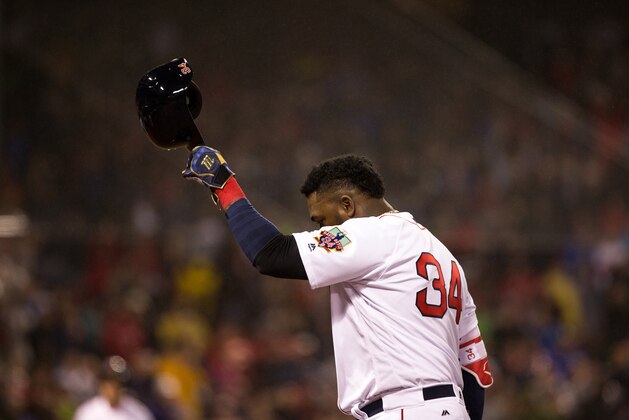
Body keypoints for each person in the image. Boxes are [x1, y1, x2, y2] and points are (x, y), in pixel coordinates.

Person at [182, 147, 493, 419]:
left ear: (347, 206)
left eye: (320, 219)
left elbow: (270, 254)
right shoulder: (445, 257)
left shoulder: (374, 233)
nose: (318, 229)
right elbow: (473, 369)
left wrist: (223, 183)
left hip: (402, 409)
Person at [73, 355, 155, 420]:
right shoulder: (88, 412)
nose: (112, 389)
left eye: (116, 384)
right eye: (108, 383)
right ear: (101, 384)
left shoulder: (137, 411)